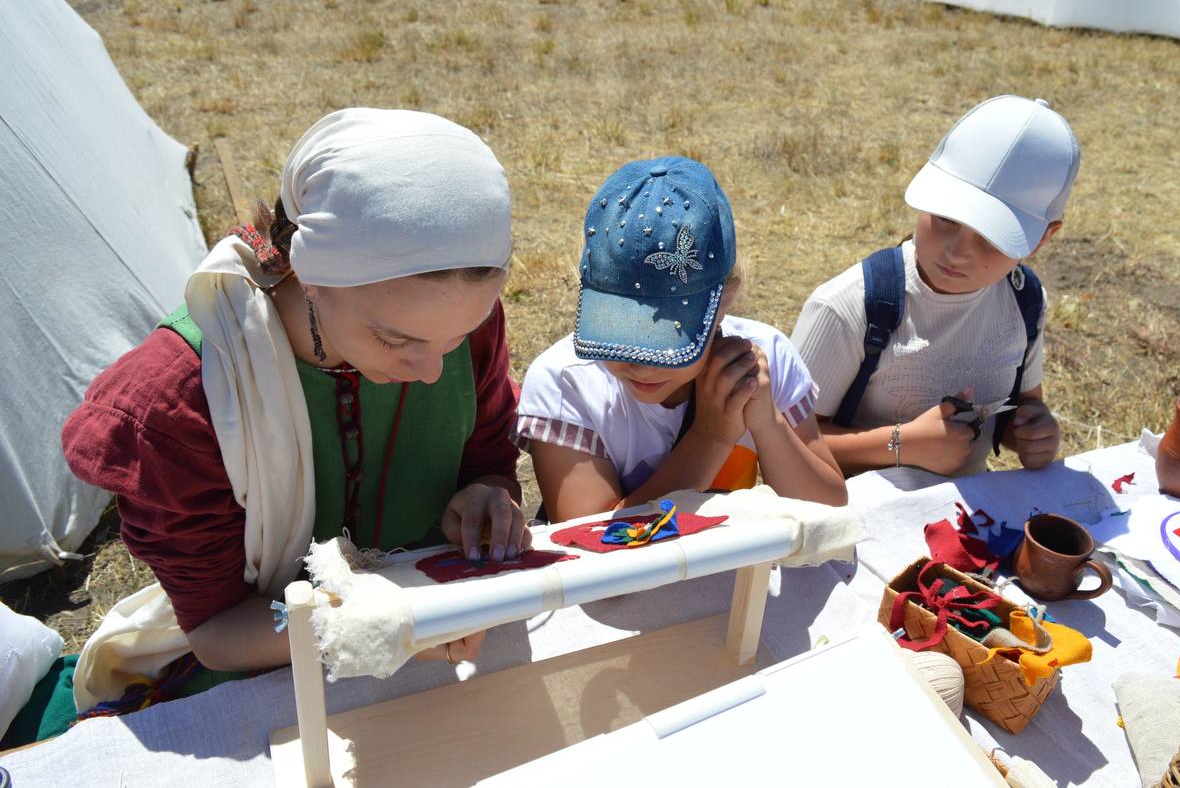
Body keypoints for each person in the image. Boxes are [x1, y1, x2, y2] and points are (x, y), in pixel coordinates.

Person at [40, 109, 528, 736]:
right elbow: (216, 629)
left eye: (457, 336)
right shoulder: (183, 402)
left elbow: (488, 455)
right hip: (269, 669)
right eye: (395, 339)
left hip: (450, 635)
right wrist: (374, 627)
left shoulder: (452, 320)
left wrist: (488, 491)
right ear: (312, 276)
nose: (433, 369)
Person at [516, 156, 847, 522]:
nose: (641, 364)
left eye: (668, 335)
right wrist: (710, 438)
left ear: (725, 302)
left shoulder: (765, 358)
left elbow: (829, 510)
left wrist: (769, 425)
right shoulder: (565, 383)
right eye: (617, 330)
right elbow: (588, 540)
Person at [791, 96, 1078, 477]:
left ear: (1043, 239)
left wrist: (1032, 430)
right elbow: (786, 445)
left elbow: (1022, 404)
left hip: (966, 509)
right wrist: (901, 445)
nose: (957, 252)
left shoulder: (1023, 301)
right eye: (946, 218)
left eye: (992, 237)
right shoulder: (847, 307)